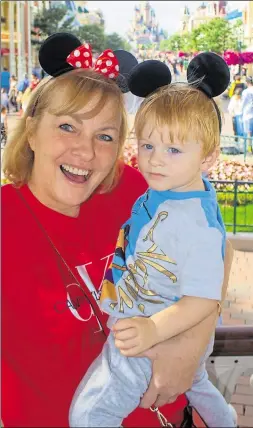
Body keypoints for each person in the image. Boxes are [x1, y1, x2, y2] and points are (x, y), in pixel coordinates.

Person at [2, 33, 233, 428]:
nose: (86, 151)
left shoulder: (134, 191)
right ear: (33, 130)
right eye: (68, 127)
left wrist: (189, 347)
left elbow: (217, 248)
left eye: (105, 136)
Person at [70, 54, 236, 428]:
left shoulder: (195, 223)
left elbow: (203, 298)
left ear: (208, 157)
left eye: (173, 150)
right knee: (198, 384)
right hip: (151, 315)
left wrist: (155, 331)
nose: (155, 161)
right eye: (147, 146)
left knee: (89, 414)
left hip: (153, 327)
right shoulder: (172, 192)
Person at [241, 76, 253, 152]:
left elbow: (243, 103)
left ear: (247, 82)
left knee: (249, 133)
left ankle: (249, 149)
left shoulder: (245, 92)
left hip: (248, 114)